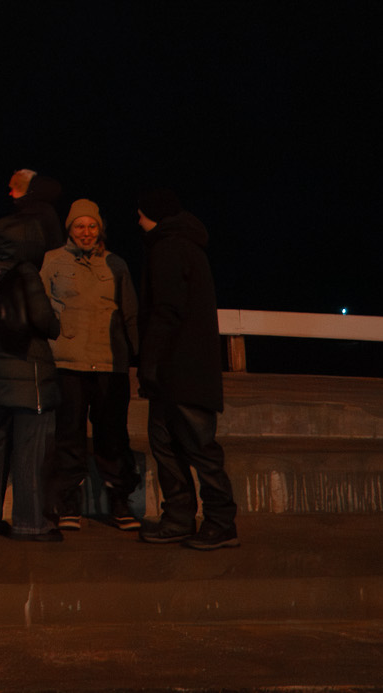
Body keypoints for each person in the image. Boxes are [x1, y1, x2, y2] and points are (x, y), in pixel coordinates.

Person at [135, 188, 240, 549]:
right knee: (168, 445)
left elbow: (166, 311)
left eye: (140, 214)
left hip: (181, 371)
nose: (138, 221)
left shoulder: (168, 248)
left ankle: (219, 522)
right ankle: (180, 519)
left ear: (153, 215)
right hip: (180, 371)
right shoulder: (183, 245)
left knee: (195, 447)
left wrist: (148, 363)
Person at [0, 172, 64, 541]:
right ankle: (29, 522)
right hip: (28, 373)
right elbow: (44, 322)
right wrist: (57, 321)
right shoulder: (26, 272)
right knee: (30, 449)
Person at [41, 198, 141, 530]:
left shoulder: (117, 264)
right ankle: (68, 502)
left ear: (100, 229)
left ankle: (119, 502)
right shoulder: (52, 261)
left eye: (92, 225)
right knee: (68, 437)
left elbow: (130, 314)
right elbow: (40, 310)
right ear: (69, 229)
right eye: (79, 226)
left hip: (110, 366)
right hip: (67, 365)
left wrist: (140, 358)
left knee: (113, 437)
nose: (86, 232)